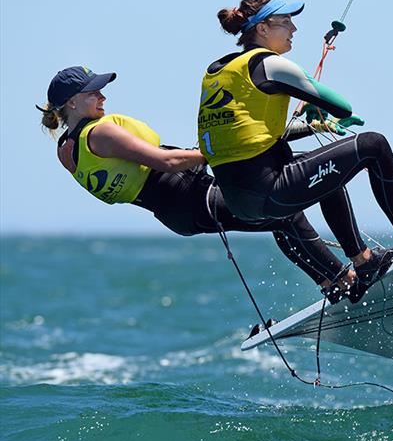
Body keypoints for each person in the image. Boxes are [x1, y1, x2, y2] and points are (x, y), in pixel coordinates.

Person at [200, 0, 393, 301]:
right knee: (373, 145)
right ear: (263, 28)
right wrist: (320, 109)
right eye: (285, 22)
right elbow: (341, 106)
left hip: (241, 202)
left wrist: (310, 122)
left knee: (325, 170)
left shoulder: (218, 71)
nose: (294, 29)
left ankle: (363, 263)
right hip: (271, 193)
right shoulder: (269, 64)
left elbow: (248, 133)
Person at [38, 66, 356, 299]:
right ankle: (345, 278)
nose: (102, 95)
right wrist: (216, 150)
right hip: (191, 197)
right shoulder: (101, 132)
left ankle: (331, 283)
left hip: (180, 210)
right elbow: (167, 162)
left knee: (279, 217)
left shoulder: (66, 149)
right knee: (282, 210)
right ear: (71, 103)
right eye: (92, 92)